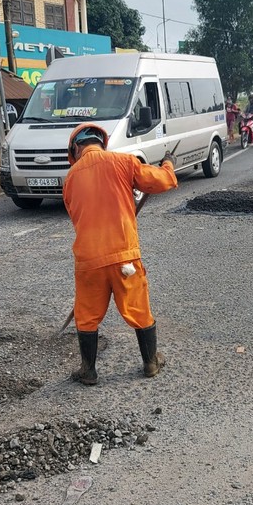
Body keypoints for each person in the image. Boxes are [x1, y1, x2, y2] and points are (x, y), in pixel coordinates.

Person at [62, 123, 178, 386]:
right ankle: (150, 362)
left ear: (76, 148)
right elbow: (162, 180)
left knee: (87, 315)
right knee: (138, 309)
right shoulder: (123, 162)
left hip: (89, 260)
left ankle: (88, 370)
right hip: (124, 255)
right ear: (100, 143)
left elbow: (76, 217)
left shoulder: (70, 179)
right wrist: (168, 164)